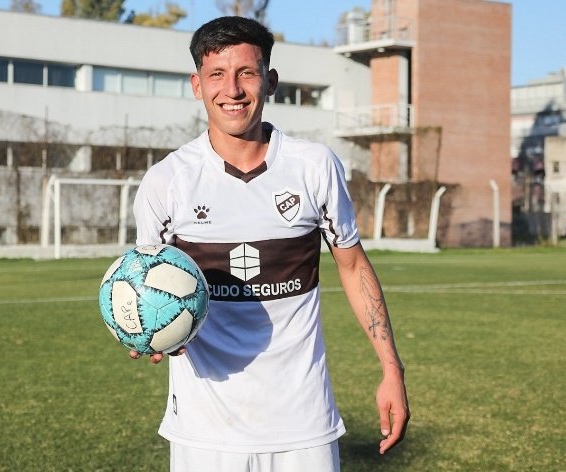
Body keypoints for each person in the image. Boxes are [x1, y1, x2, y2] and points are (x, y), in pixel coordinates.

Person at [131, 16, 409, 472]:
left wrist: (392, 370)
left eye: (247, 72)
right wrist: (150, 333)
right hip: (205, 432)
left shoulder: (314, 166)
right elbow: (144, 281)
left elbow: (353, 266)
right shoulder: (167, 181)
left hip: (303, 426)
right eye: (217, 75)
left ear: (271, 81)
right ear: (197, 86)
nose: (233, 89)